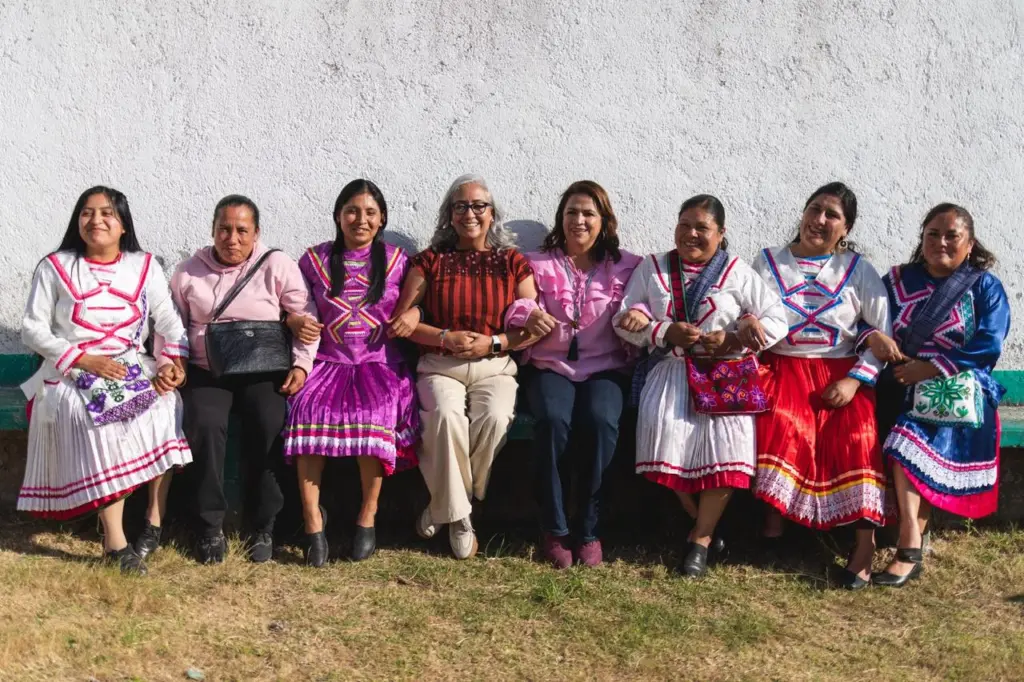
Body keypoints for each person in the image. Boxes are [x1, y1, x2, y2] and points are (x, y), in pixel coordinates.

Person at [18, 186, 191, 574]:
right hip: (71, 370)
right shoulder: (55, 267)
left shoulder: (144, 265)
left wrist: (170, 365)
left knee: (166, 405)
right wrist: (84, 359)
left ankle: (153, 522)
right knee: (103, 420)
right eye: (87, 212)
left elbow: (169, 322)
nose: (96, 220)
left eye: (107, 213)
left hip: (132, 364)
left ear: (123, 224)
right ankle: (115, 542)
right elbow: (32, 328)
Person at [614, 194, 788, 577]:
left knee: (728, 446)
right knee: (663, 434)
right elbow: (623, 320)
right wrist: (662, 331)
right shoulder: (653, 268)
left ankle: (701, 540)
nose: (691, 234)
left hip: (724, 376)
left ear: (721, 234)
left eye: (702, 228)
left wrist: (737, 337)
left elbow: (778, 320)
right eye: (684, 225)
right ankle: (704, 523)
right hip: (673, 370)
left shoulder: (738, 273)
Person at [748, 182, 892, 589]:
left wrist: (854, 381)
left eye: (832, 215)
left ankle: (863, 546)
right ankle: (774, 528)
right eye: (815, 209)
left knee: (858, 433)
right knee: (781, 420)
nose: (820, 220)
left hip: (842, 372)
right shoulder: (768, 262)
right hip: (782, 367)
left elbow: (883, 334)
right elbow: (747, 309)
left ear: (846, 228)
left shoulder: (857, 270)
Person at [389, 174, 537, 559]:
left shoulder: (513, 262)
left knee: (496, 418)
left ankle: (445, 502)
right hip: (441, 365)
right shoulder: (430, 261)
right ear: (449, 215)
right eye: (460, 206)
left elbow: (532, 326)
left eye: (478, 206)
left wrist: (494, 342)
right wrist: (444, 337)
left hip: (495, 365)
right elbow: (403, 322)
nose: (470, 213)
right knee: (445, 418)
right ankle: (460, 518)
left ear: (492, 214)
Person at [866, 204, 1010, 587]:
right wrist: (874, 337)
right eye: (933, 234)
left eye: (952, 236)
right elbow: (864, 316)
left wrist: (932, 368)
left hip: (958, 385)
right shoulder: (896, 280)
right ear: (922, 237)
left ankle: (909, 547)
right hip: (899, 380)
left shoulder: (984, 287)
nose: (940, 242)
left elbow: (990, 342)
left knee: (905, 442)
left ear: (970, 244)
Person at [171, 195, 318, 564]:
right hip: (207, 370)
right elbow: (171, 327)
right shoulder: (188, 272)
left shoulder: (277, 265)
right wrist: (174, 361)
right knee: (204, 423)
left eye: (241, 230)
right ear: (212, 230)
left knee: (270, 421)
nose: (232, 238)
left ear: (256, 233)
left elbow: (305, 317)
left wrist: (301, 365)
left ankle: (264, 524)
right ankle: (209, 526)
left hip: (262, 369)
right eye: (224, 229)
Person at [504, 181, 642, 568]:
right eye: (571, 212)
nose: (579, 220)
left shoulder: (628, 266)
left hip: (605, 367)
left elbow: (646, 302)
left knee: (601, 421)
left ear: (604, 221)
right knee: (552, 420)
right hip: (550, 366)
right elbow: (516, 305)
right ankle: (555, 527)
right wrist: (529, 314)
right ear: (560, 218)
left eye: (588, 214)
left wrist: (639, 315)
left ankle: (590, 528)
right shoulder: (536, 262)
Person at [282, 179, 419, 566]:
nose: (361, 219)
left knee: (375, 412)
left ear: (382, 219)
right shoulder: (314, 261)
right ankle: (312, 520)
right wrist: (293, 320)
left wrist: (415, 313)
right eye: (352, 211)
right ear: (338, 216)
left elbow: (421, 302)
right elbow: (293, 305)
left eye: (370, 213)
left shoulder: (398, 261)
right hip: (328, 362)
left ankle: (367, 515)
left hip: (379, 363)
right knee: (306, 408)